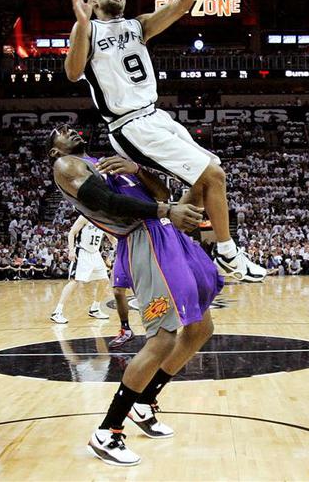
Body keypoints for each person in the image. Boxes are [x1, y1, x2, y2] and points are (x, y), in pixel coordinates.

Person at [65, 0, 265, 283]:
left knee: (210, 175)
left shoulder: (138, 25)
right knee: (214, 176)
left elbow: (183, 3)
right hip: (129, 125)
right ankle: (228, 255)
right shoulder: (88, 30)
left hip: (156, 116)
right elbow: (73, 71)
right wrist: (81, 25)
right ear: (92, 2)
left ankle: (170, 243)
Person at [47, 125, 223, 466]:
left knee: (201, 328)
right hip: (145, 240)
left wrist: (138, 169)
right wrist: (165, 211)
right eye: (60, 131)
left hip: (167, 233)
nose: (69, 129)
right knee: (163, 339)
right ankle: (107, 432)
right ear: (55, 150)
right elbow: (108, 203)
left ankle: (144, 402)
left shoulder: (108, 162)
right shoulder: (66, 166)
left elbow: (162, 194)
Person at [50, 215, 115, 324]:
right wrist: (71, 251)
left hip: (95, 254)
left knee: (104, 281)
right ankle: (57, 312)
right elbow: (72, 233)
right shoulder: (84, 217)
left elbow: (111, 238)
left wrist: (120, 246)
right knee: (74, 281)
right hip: (82, 252)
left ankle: (95, 309)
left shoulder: (103, 219)